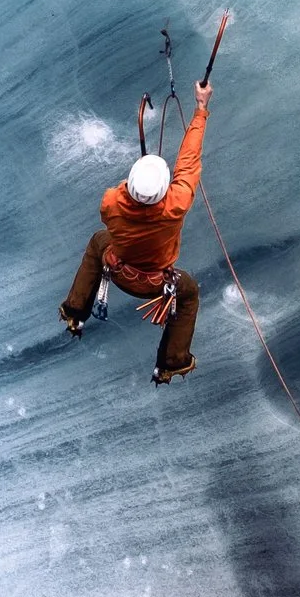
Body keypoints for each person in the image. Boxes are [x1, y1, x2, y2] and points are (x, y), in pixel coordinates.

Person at [58, 80, 212, 383]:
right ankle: (171, 362)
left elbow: (116, 203)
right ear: (164, 190)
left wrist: (133, 193)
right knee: (189, 292)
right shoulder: (175, 205)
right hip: (156, 285)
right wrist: (201, 108)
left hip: (117, 270)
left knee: (98, 242)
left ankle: (75, 311)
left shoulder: (112, 202)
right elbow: (188, 163)